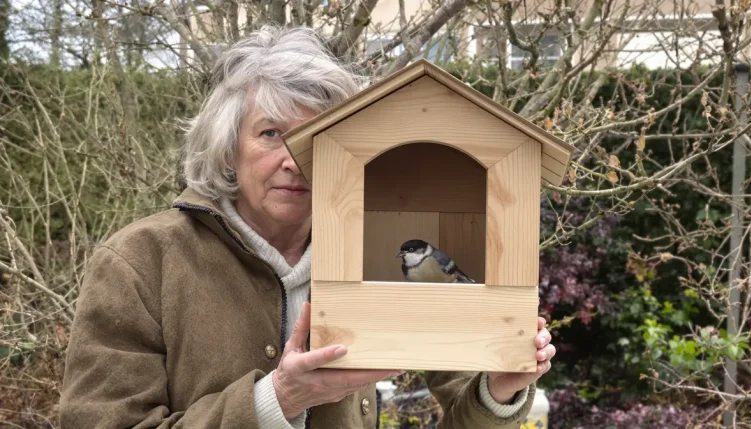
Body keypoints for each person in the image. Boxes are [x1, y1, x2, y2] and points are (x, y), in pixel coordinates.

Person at [59, 25, 556, 428]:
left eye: (318, 137)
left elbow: (463, 401)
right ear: (229, 147)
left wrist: (499, 391)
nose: (294, 160)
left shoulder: (378, 250)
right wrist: (276, 400)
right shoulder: (142, 263)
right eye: (271, 134)